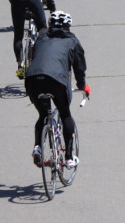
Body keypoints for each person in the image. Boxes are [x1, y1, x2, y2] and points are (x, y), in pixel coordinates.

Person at [25, 11, 90, 169]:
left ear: (49, 25)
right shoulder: (72, 40)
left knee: (43, 114)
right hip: (56, 80)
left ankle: (37, 147)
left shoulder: (41, 38)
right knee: (65, 113)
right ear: (68, 27)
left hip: (33, 79)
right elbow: (79, 68)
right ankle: (68, 157)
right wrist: (82, 85)